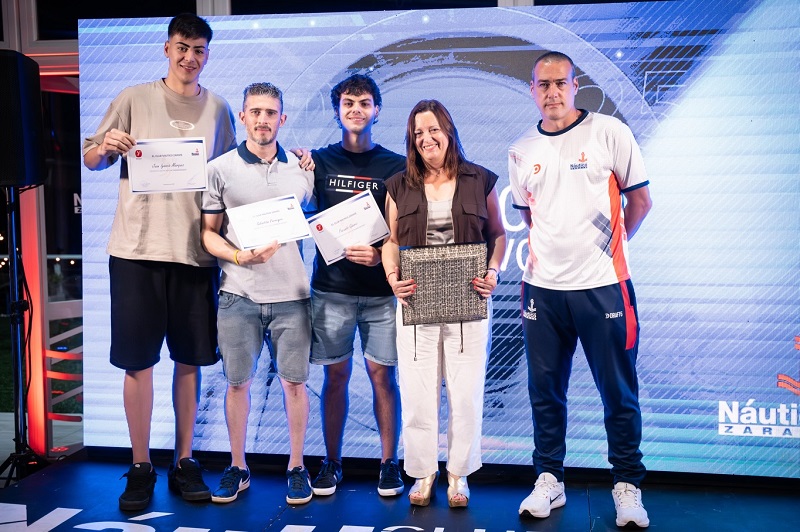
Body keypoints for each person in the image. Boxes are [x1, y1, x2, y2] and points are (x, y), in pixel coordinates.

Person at [82, 13, 237, 511]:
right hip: (136, 251)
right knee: (138, 362)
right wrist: (106, 146)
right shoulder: (134, 98)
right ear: (167, 49)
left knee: (190, 360)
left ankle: (185, 460)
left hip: (195, 253)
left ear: (207, 55)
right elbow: (91, 158)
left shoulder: (219, 109)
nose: (189, 57)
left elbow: (231, 176)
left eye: (199, 50)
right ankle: (141, 465)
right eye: (182, 47)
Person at [508, 51, 653, 528]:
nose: (552, 92)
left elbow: (640, 201)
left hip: (604, 287)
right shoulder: (521, 149)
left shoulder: (608, 132)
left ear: (575, 86)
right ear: (532, 89)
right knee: (545, 393)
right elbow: (531, 217)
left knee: (619, 393)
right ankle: (549, 479)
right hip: (542, 291)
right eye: (543, 84)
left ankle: (627, 485)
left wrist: (612, 248)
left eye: (560, 83)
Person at [382, 99, 507, 508]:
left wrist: (493, 272)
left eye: (433, 129)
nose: (426, 138)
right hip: (416, 299)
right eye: (418, 133)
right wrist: (393, 278)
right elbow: (392, 242)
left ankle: (458, 474)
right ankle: (423, 473)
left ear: (448, 131)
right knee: (418, 392)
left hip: (469, 297)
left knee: (465, 392)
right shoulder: (398, 185)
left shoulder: (480, 179)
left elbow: (499, 235)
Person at [201, 82, 316, 506]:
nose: (263, 120)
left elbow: (320, 221)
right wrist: (238, 255)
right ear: (243, 117)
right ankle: (238, 466)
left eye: (271, 113)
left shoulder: (303, 168)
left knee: (295, 386)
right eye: (255, 112)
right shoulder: (219, 169)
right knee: (237, 385)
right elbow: (208, 234)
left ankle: (297, 467)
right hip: (238, 294)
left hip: (293, 296)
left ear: (281, 119)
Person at [308, 74, 406, 498]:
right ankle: (332, 462)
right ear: (337, 111)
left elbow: (406, 230)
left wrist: (382, 252)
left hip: (382, 293)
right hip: (332, 289)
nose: (356, 110)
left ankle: (389, 463)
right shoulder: (317, 162)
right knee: (336, 378)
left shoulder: (396, 166)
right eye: (348, 103)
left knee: (383, 377)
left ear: (377, 110)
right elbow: (300, 210)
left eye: (364, 103)